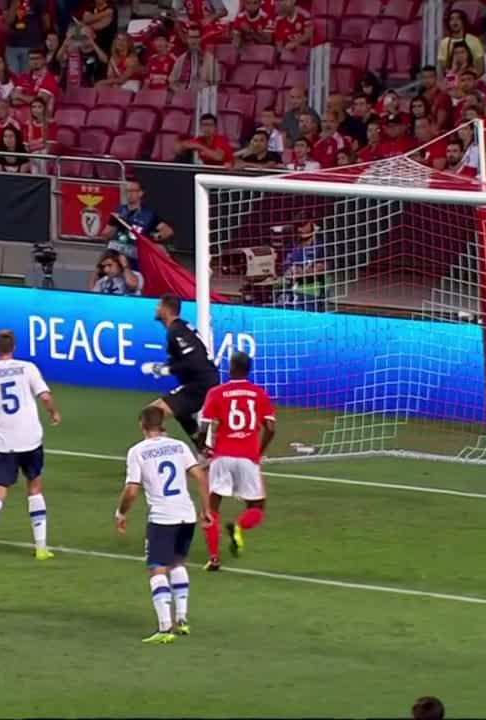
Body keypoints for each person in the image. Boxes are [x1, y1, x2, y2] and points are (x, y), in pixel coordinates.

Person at [116, 406, 211, 643]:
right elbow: (200, 476)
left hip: (162, 518)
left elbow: (131, 490)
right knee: (178, 563)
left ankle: (164, 628)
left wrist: (121, 512)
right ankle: (182, 619)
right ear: (162, 424)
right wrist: (207, 508)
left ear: (142, 425)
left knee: (157, 569)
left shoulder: (137, 451)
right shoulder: (179, 446)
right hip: (186, 515)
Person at [0, 329, 61, 561]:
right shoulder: (27, 368)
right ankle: (41, 547)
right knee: (34, 489)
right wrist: (53, 413)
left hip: (4, 442)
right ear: (14, 347)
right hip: (30, 438)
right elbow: (44, 396)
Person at [196, 350, 275, 570]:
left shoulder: (216, 392)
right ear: (249, 370)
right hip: (248, 457)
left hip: (221, 457)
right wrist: (259, 451)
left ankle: (213, 558)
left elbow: (204, 426)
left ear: (230, 368)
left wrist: (203, 447)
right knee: (257, 506)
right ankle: (239, 526)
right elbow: (270, 427)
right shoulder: (258, 394)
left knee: (212, 506)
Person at [140, 293, 220, 449]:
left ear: (165, 309)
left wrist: (165, 370)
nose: (156, 309)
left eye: (159, 305)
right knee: (181, 412)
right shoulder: (181, 327)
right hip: (203, 381)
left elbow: (193, 361)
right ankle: (204, 450)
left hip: (199, 384)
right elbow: (186, 358)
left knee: (150, 414)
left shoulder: (176, 331)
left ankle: (159, 453)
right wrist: (162, 367)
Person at [100, 179, 174, 270]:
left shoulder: (148, 214)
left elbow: (168, 231)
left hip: (138, 252)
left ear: (140, 193)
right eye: (127, 191)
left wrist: (155, 237)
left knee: (161, 249)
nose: (129, 194)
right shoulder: (118, 211)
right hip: (119, 251)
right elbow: (105, 234)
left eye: (133, 191)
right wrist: (114, 228)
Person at [276, 217, 325, 310]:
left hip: (311, 285)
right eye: (298, 226)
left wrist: (303, 272)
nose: (300, 229)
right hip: (291, 284)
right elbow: (284, 264)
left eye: (302, 226)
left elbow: (325, 265)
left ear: (310, 223)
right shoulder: (292, 243)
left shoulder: (321, 243)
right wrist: (289, 270)